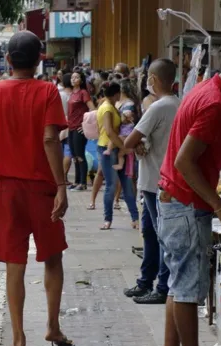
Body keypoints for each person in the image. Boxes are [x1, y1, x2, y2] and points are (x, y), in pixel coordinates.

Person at [0, 31, 73, 346]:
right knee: (53, 257)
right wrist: (61, 186)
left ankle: (18, 341)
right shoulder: (47, 91)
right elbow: (50, 139)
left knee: (14, 263)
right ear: (39, 60)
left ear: (7, 60)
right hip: (42, 188)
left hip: (5, 189)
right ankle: (52, 326)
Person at [157, 44, 221, 346]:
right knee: (184, 291)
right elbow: (185, 161)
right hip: (185, 204)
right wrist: (220, 207)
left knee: (177, 286)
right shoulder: (214, 104)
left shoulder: (207, 90)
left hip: (176, 202)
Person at [123, 59, 180, 305]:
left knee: (161, 236)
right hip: (157, 179)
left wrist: (136, 144)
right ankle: (146, 280)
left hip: (156, 180)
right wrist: (141, 145)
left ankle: (162, 287)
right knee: (150, 233)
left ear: (153, 80)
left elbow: (128, 141)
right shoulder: (178, 103)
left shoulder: (158, 107)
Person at [96, 82, 139, 230]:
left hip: (115, 148)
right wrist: (123, 147)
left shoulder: (111, 106)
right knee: (111, 185)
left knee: (126, 184)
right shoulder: (107, 108)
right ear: (116, 94)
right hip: (109, 149)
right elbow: (109, 131)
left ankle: (135, 218)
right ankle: (107, 219)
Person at [67, 70, 95, 191]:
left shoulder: (83, 93)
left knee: (80, 155)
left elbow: (93, 110)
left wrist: (85, 126)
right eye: (72, 77)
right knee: (74, 156)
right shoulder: (72, 93)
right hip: (71, 127)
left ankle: (83, 183)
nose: (73, 79)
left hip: (79, 128)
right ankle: (77, 181)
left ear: (81, 80)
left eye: (76, 77)